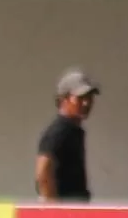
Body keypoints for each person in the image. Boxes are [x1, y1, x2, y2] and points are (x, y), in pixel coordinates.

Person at [35, 69, 99, 202]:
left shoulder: (73, 130)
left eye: (89, 98)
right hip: (65, 213)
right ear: (64, 99)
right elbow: (43, 172)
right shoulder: (60, 130)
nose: (86, 103)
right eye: (80, 98)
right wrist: (55, 210)